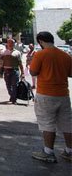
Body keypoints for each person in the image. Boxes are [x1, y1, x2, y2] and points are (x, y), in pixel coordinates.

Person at [28, 31, 72, 163]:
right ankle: (70, 151)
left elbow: (33, 72)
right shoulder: (66, 55)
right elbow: (70, 74)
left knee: (47, 124)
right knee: (67, 124)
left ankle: (48, 152)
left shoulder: (40, 54)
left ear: (40, 41)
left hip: (45, 94)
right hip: (63, 94)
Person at [0, 39, 24, 104]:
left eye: (12, 43)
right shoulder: (3, 52)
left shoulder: (17, 52)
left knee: (14, 85)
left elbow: (20, 63)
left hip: (15, 71)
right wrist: (0, 72)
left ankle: (14, 99)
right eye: (9, 43)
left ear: (14, 44)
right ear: (7, 43)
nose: (10, 44)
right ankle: (12, 95)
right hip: (6, 71)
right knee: (8, 85)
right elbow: (0, 62)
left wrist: (22, 73)